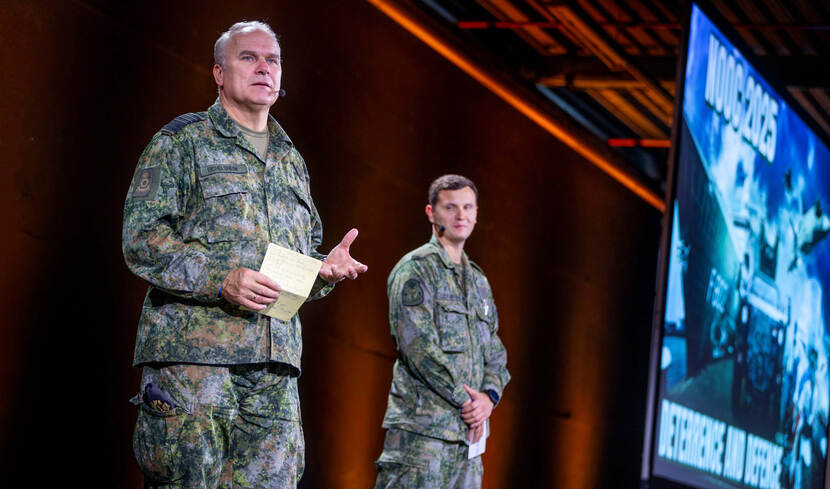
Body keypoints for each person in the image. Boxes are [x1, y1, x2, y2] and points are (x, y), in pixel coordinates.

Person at [122, 20, 367, 489]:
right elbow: (141, 239)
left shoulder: (291, 161)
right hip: (196, 364)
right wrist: (222, 277)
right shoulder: (182, 142)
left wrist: (323, 272)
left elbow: (287, 266)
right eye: (248, 58)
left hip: (274, 372)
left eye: (272, 59)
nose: (264, 68)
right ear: (219, 72)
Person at [374, 175, 510, 489]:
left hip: (468, 439)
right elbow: (418, 346)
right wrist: (467, 402)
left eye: (467, 207)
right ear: (431, 213)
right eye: (450, 207)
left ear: (476, 213)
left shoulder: (478, 281)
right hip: (423, 435)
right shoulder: (416, 269)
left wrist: (488, 398)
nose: (461, 215)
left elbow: (495, 350)